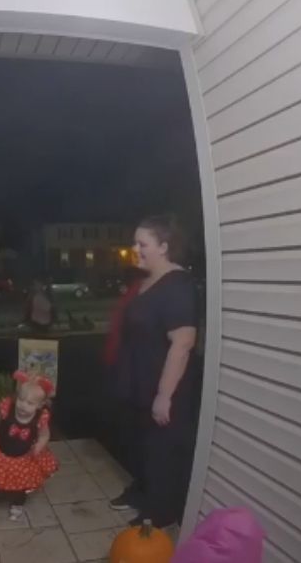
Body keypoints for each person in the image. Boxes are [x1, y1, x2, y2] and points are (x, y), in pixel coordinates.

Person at [105, 214, 201, 529]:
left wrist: (164, 396)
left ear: (164, 246)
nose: (134, 249)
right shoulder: (147, 281)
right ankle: (141, 492)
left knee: (161, 452)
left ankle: (160, 513)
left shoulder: (178, 285)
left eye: (141, 244)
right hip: (137, 384)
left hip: (162, 387)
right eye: (134, 243)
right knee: (140, 446)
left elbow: (183, 343)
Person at [0, 371, 59, 521]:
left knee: (22, 483)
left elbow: (44, 435)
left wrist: (39, 446)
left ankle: (18, 503)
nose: (23, 405)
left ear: (40, 405)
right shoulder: (7, 407)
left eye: (30, 403)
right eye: (21, 399)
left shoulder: (40, 418)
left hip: (24, 456)